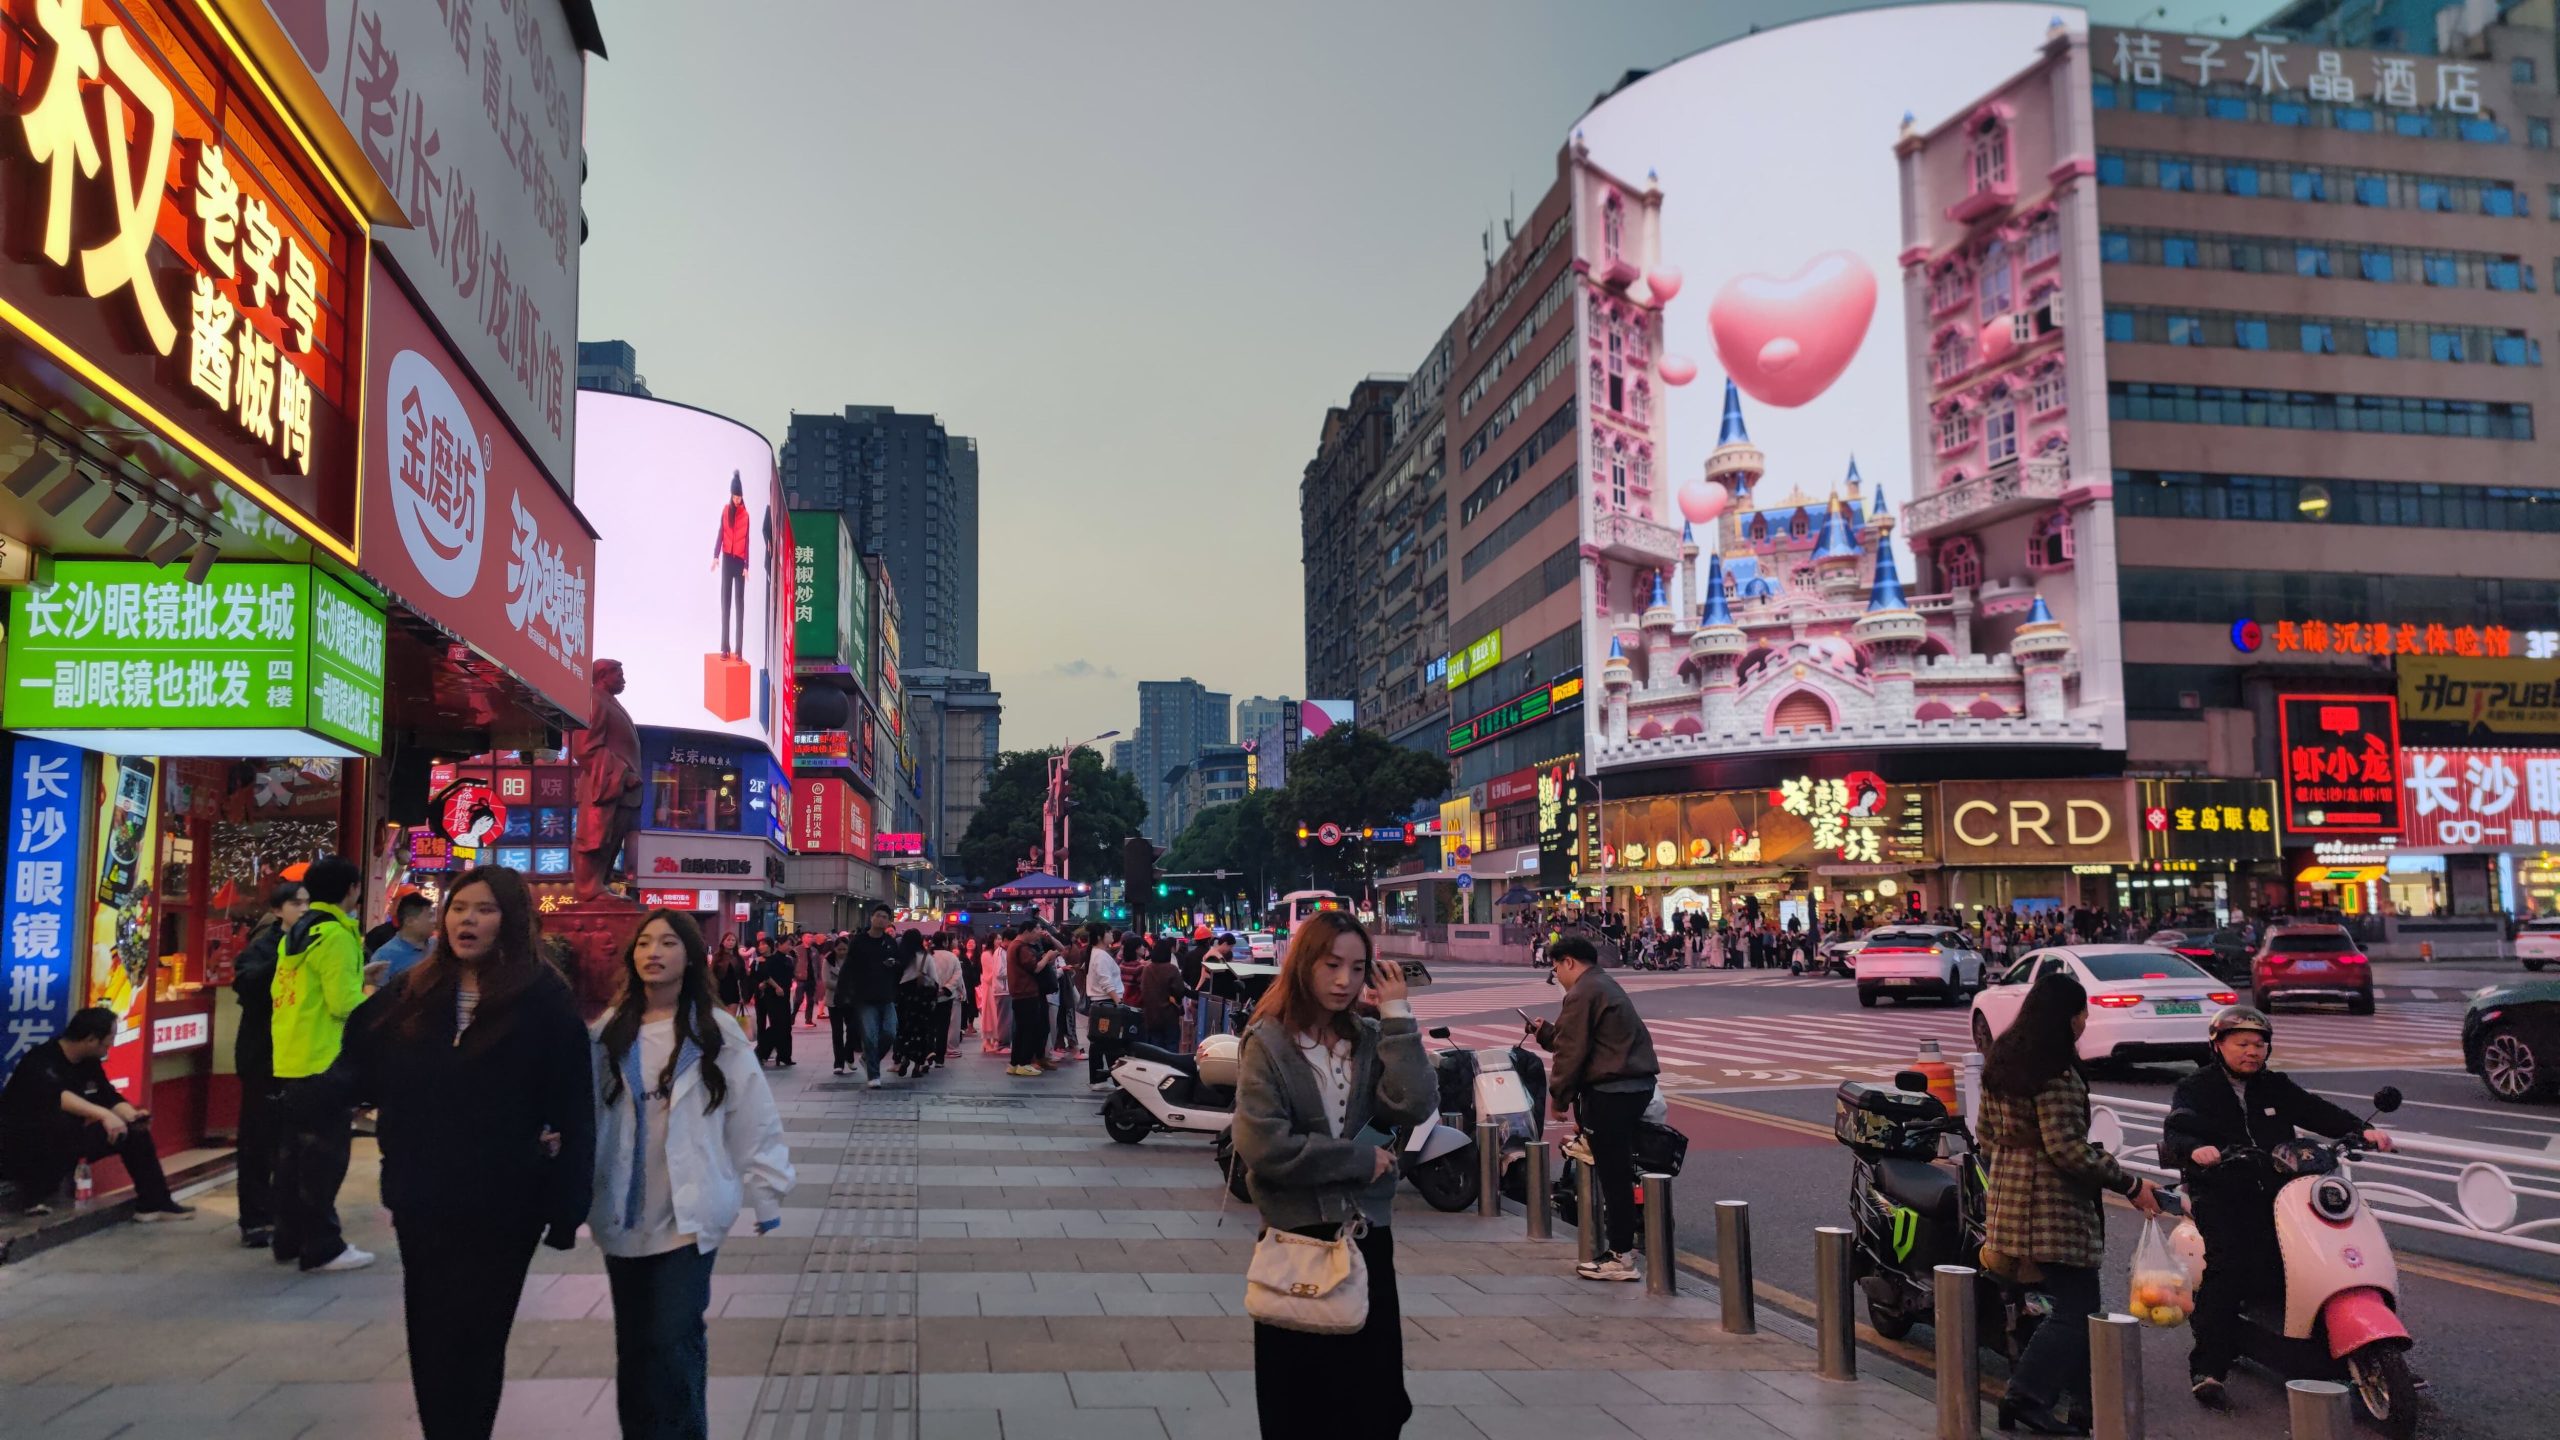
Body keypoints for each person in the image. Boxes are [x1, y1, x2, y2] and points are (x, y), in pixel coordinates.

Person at [340, 866, 596, 1440]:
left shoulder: (543, 998)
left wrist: (568, 1206)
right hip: (421, 1193)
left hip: (504, 1200)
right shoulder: (415, 991)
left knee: (479, 1332)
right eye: (457, 909)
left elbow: (575, 1108)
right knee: (428, 1328)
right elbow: (362, 1063)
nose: (466, 921)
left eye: (483, 910)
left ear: (510, 921)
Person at [1230, 910, 1434, 1440]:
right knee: (1299, 1407)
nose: (1345, 981)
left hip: (1367, 1240)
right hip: (1297, 1241)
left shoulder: (1368, 1039)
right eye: (1332, 964)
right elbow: (1263, 1146)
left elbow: (1413, 1103)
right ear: (1304, 965)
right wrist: (1358, 1160)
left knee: (1376, 1404)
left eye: (1358, 967)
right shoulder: (1269, 1042)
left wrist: (1396, 1015)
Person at [590, 909, 794, 1440]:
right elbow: (583, 1116)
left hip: (689, 1214)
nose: (652, 952)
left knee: (675, 1338)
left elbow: (752, 1112)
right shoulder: (608, 1033)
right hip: (623, 1215)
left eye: (667, 943)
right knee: (634, 1346)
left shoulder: (714, 1029)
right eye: (643, 943)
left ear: (690, 956)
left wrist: (765, 1191)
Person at [2163, 1006, 2392, 1412]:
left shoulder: (2274, 1085)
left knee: (2314, 1257)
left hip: (2279, 1190)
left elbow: (2316, 1110)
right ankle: (2209, 1368)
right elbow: (2177, 1129)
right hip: (2222, 1192)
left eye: (2259, 1044)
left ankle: (2341, 1346)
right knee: (2228, 1265)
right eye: (2243, 1044)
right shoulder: (2197, 1087)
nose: (2253, 1052)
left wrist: (2361, 1129)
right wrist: (2195, 1150)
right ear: (2218, 1045)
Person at [1979, 974, 2164, 1436]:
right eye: (2083, 1013)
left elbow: (1985, 1136)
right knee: (2078, 1307)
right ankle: (2025, 1395)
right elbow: (2068, 1151)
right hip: (2051, 1207)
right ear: (2068, 1016)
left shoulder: (2002, 1060)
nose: (2085, 1022)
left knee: (2076, 1304)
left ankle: (2083, 1404)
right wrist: (2128, 1181)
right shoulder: (2055, 1073)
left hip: (2008, 1196)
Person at [1524, 934, 1660, 1283]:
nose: (1557, 978)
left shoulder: (1584, 991)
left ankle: (1621, 1258)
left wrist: (1559, 1099)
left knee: (1613, 1176)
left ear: (1569, 962)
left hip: (1613, 1092)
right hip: (1633, 1087)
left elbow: (1572, 1053)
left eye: (1555, 970)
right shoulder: (1602, 983)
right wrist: (1545, 1033)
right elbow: (1577, 1038)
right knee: (1616, 1171)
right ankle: (1620, 1251)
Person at [269, 854, 371, 1271]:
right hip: (325, 1060)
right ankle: (323, 1246)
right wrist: (382, 1000)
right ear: (352, 889)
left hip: (292, 1056)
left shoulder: (298, 931)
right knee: (324, 1160)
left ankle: (288, 1239)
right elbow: (345, 1002)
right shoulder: (336, 935)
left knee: (293, 1158)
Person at [0, 1007, 192, 1220]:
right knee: (59, 1124)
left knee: (134, 1132)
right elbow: (58, 1096)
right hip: (23, 1148)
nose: (112, 1044)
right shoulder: (40, 1060)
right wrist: (104, 1115)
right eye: (110, 1038)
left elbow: (106, 1095)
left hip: (67, 1142)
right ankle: (33, 1198)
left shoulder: (89, 1062)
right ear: (91, 1039)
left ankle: (154, 1203)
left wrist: (130, 1116)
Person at [228, 879, 305, 1247]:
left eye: (310, 903)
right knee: (259, 1142)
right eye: (297, 903)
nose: (305, 910)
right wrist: (287, 958)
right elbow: (247, 987)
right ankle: (255, 1220)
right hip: (264, 1057)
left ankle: (288, 1213)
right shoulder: (263, 948)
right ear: (278, 910)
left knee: (295, 1142)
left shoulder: (317, 946)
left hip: (302, 1058)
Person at [833, 906, 901, 1086]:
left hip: (886, 996)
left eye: (885, 917)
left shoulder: (890, 943)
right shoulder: (859, 942)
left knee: (890, 1033)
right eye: (878, 915)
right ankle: (874, 1075)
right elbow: (848, 968)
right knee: (870, 1036)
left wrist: (893, 965)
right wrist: (842, 993)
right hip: (864, 997)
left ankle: (868, 1059)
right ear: (871, 918)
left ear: (888, 921)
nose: (881, 919)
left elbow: (898, 967)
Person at [1083, 925, 1126, 1088]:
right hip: (1106, 1004)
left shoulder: (1098, 953)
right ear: (1100, 936)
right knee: (1109, 1043)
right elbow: (1106, 981)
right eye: (1108, 932)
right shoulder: (1100, 955)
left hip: (1103, 1004)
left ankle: (1099, 1079)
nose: (1111, 934)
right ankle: (1110, 1080)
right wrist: (1119, 1002)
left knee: (1101, 1042)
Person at [1006, 929, 1054, 1076]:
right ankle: (1024, 1063)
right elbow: (1036, 968)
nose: (1037, 935)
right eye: (1035, 931)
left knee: (1020, 1031)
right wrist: (1047, 958)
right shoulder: (1021, 947)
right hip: (1026, 993)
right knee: (1028, 1030)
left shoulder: (1014, 946)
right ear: (1027, 931)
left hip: (1020, 994)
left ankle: (1015, 1064)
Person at [892, 930, 939, 1079]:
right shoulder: (926, 957)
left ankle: (904, 1056)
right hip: (921, 1000)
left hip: (903, 998)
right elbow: (935, 980)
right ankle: (917, 1067)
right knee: (921, 1032)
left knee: (904, 1030)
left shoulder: (900, 958)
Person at [713, 470, 750, 657]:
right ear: (731, 495)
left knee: (739, 605)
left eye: (740, 496)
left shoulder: (746, 515)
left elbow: (748, 540)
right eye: (735, 496)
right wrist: (715, 555)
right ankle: (725, 648)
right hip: (727, 559)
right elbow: (721, 533)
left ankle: (739, 649)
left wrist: (747, 566)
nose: (737, 499)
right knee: (725, 604)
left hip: (740, 562)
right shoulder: (726, 511)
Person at [369, 893, 436, 987]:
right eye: (429, 916)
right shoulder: (384, 956)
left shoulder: (436, 946)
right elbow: (378, 997)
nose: (434, 921)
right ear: (410, 921)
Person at [1136, 935, 1188, 1052]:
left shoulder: (1147, 969)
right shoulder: (1171, 969)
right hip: (1169, 1015)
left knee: (1155, 1048)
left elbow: (1143, 989)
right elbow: (1180, 991)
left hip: (1151, 1015)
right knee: (1171, 1046)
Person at [750, 937, 795, 1068]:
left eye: (791, 944)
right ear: (779, 945)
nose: (790, 947)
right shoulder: (773, 960)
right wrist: (777, 987)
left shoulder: (788, 959)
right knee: (777, 1025)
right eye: (788, 944)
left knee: (786, 1026)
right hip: (773, 996)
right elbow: (766, 976)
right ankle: (761, 1051)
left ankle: (785, 1056)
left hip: (785, 995)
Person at [927, 933, 965, 1067]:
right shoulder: (952, 957)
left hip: (929, 996)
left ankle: (929, 1052)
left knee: (929, 1027)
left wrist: (932, 989)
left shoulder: (927, 955)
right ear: (945, 942)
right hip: (946, 997)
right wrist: (946, 989)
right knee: (943, 1028)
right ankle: (939, 1059)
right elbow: (957, 975)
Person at [795, 935, 829, 1028]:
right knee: (798, 999)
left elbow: (817, 965)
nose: (811, 938)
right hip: (801, 978)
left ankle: (808, 1020)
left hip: (812, 979)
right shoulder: (797, 950)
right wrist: (795, 975)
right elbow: (793, 963)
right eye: (809, 937)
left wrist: (818, 977)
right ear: (803, 939)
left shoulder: (815, 951)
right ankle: (792, 1017)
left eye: (811, 937)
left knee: (810, 1000)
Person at [712, 933, 746, 1018]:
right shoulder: (717, 957)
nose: (730, 942)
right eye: (728, 940)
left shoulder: (738, 958)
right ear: (723, 942)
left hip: (734, 991)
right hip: (719, 991)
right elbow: (711, 975)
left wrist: (744, 995)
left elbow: (743, 978)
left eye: (733, 940)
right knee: (720, 1019)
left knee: (731, 1019)